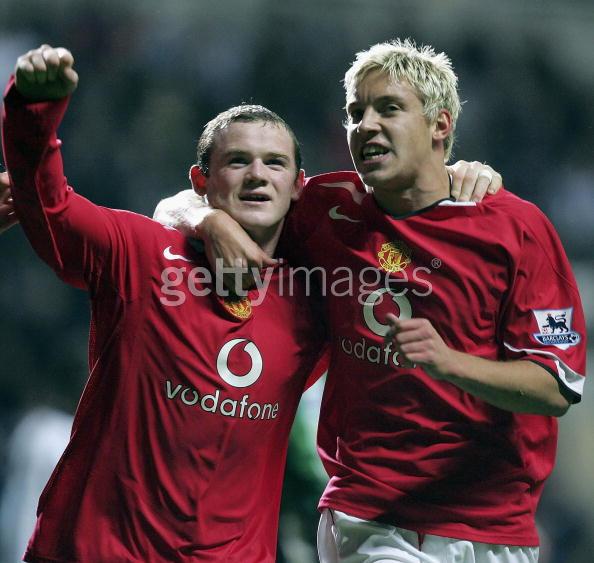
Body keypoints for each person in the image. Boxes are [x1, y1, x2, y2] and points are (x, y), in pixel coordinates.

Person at [164, 39, 587, 562]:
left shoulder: (515, 229)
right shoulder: (327, 208)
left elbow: (556, 386)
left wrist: (449, 362)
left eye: (388, 108)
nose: (365, 125)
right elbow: (178, 203)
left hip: (494, 524)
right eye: (355, 112)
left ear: (440, 124)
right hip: (371, 517)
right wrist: (209, 221)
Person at [2, 44, 330, 562]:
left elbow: (406, 251)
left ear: (297, 187)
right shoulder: (141, 254)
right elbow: (52, 206)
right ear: (201, 181)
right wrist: (33, 112)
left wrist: (460, 191)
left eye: (275, 163)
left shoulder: (316, 303)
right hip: (95, 551)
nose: (258, 174)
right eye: (238, 161)